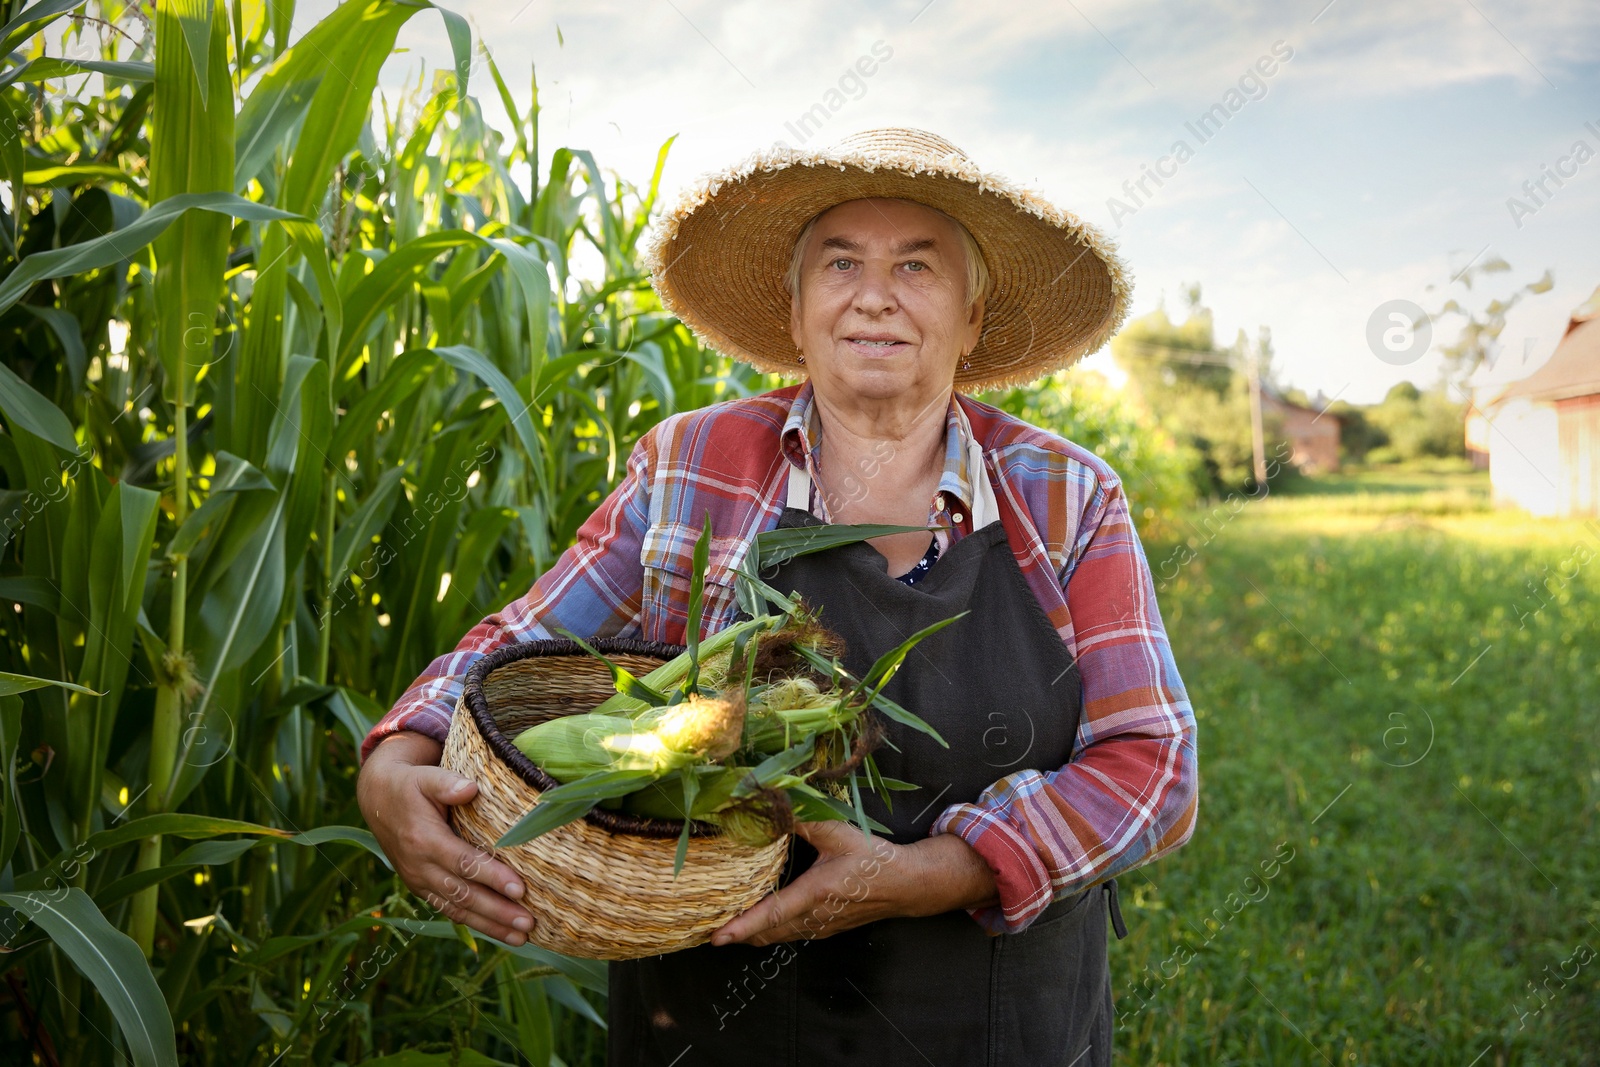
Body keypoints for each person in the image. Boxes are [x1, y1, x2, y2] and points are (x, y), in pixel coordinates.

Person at [357, 127, 1198, 1066]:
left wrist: (935, 872)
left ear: (972, 318)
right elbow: (525, 640)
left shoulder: (1066, 493)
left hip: (996, 1025)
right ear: (795, 313)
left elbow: (1153, 766)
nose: (874, 294)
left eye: (917, 267)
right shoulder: (691, 466)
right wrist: (397, 751)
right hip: (712, 1020)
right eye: (841, 262)